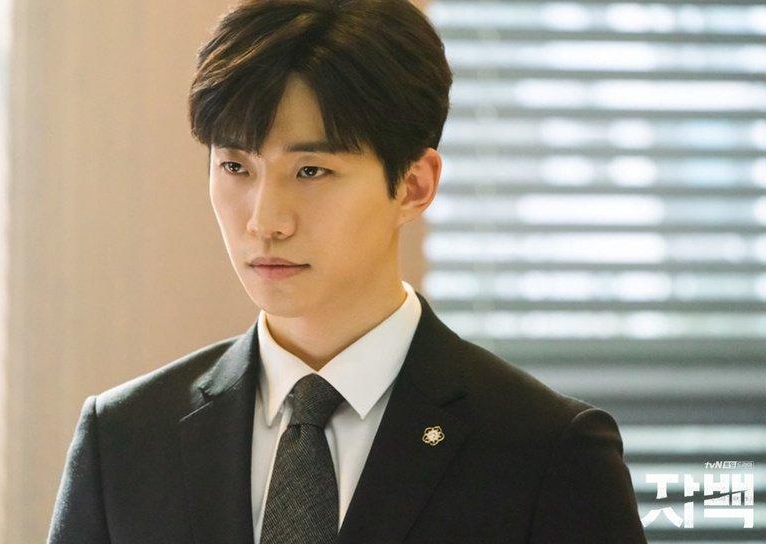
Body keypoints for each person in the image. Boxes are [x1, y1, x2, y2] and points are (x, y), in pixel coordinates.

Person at [47, 0, 648, 542]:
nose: (265, 221)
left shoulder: (544, 451)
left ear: (413, 186)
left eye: (311, 171)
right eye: (235, 167)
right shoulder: (124, 436)